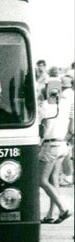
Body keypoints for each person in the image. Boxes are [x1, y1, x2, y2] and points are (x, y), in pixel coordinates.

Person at [39, 82, 73, 223]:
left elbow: (44, 128)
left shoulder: (46, 105)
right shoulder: (67, 104)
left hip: (50, 144)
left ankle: (63, 209)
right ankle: (50, 215)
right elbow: (72, 126)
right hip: (62, 144)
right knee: (54, 179)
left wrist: (39, 144)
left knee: (41, 180)